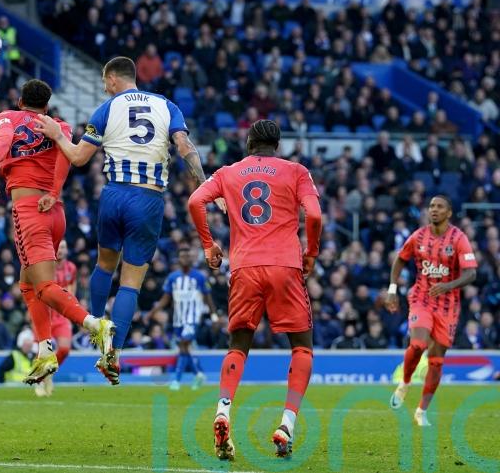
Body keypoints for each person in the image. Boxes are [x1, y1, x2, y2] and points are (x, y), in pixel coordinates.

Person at [35, 56, 224, 385]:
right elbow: (184, 145)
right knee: (131, 282)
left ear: (111, 78)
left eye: (104, 81)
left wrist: (57, 134)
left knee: (104, 265)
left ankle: (97, 330)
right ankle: (114, 353)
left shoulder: (106, 109)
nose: (103, 87)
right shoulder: (167, 106)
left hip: (113, 195)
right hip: (148, 198)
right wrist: (206, 182)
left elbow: (78, 157)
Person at [187, 119, 322, 460]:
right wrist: (311, 253)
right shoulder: (296, 171)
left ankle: (222, 411)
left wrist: (208, 246)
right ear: (277, 145)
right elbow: (316, 216)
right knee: (302, 348)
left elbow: (194, 202)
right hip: (285, 265)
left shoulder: (229, 172)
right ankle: (286, 425)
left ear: (248, 143)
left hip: (245, 266)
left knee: (238, 345)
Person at [0, 79, 113, 385]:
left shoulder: (8, 117)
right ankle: (45, 351)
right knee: (28, 284)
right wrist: (54, 190)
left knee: (43, 285)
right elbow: (65, 156)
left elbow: (2, 141)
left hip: (29, 211)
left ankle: (95, 325)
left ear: (20, 100)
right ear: (46, 104)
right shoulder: (59, 125)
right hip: (54, 211)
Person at [387, 195, 477, 426]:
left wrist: (447, 285)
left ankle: (421, 411)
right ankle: (405, 382)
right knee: (417, 344)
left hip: (448, 305)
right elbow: (400, 260)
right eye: (431, 206)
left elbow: (471, 273)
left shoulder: (459, 239)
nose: (434, 210)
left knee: (436, 361)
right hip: (422, 298)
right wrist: (392, 289)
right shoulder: (418, 237)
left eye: (440, 207)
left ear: (449, 213)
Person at [148, 245, 215, 391]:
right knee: (184, 348)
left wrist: (213, 315)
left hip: (193, 318)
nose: (185, 258)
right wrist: (153, 311)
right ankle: (198, 374)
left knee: (184, 344)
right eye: (182, 256)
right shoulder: (173, 278)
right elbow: (166, 298)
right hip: (178, 319)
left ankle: (176, 380)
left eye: (187, 256)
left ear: (191, 259)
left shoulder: (199, 277)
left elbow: (207, 297)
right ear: (178, 259)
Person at [35, 240, 78, 397]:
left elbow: (72, 291)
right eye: (58, 247)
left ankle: (48, 373)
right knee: (43, 350)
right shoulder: (44, 266)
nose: (60, 250)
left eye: (64, 247)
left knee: (65, 349)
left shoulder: (71, 268)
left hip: (61, 315)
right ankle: (39, 380)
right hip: (45, 313)